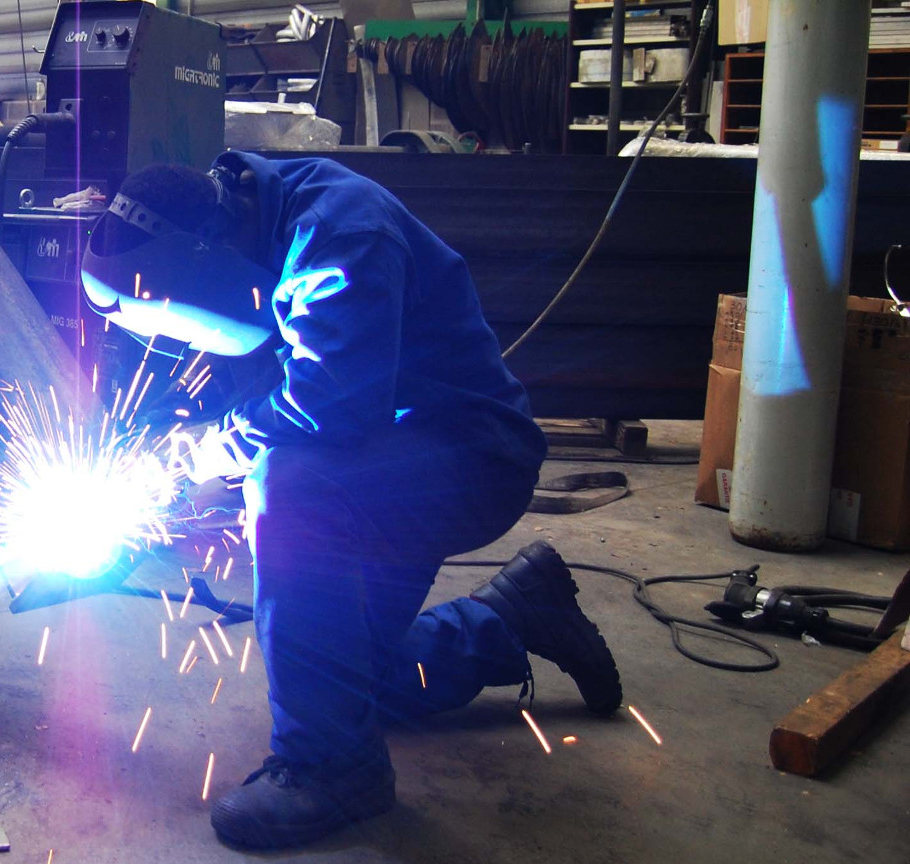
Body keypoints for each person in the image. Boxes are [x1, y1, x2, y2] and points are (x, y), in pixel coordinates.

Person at [81, 151, 623, 850]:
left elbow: (332, 408)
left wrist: (210, 455)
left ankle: (334, 770)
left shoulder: (341, 238)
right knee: (342, 686)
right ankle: (512, 617)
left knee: (287, 486)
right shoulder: (244, 228)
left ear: (207, 256)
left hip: (470, 458)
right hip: (386, 457)